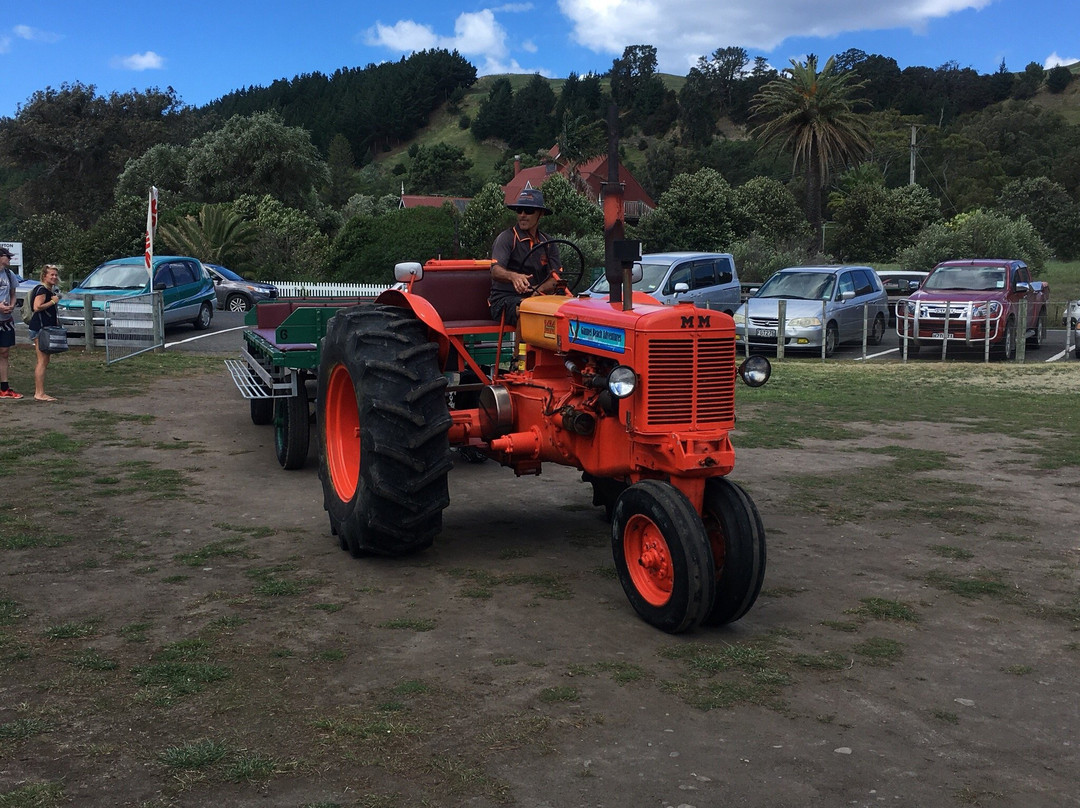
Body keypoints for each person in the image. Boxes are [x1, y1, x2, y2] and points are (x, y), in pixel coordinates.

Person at [488, 188, 563, 326]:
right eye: (519, 210)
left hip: (538, 298)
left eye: (528, 211)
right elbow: (495, 270)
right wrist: (514, 277)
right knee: (527, 310)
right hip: (504, 300)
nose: (522, 215)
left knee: (565, 309)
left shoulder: (548, 243)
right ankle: (521, 348)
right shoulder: (506, 238)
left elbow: (556, 279)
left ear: (540, 214)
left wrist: (538, 290)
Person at [27, 264, 61, 402]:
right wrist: (52, 302)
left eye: (55, 275)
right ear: (44, 276)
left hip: (46, 328)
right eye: (51, 274)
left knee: (45, 360)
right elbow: (37, 307)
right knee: (42, 360)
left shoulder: (50, 290)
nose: (54, 277)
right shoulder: (42, 290)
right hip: (40, 328)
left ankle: (40, 391)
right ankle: (39, 393)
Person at [0, 246, 22, 399]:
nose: (9, 258)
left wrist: (12, 305)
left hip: (6, 320)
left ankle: (4, 388)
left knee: (4, 352)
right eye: (6, 256)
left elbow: (13, 293)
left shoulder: (9, 274)